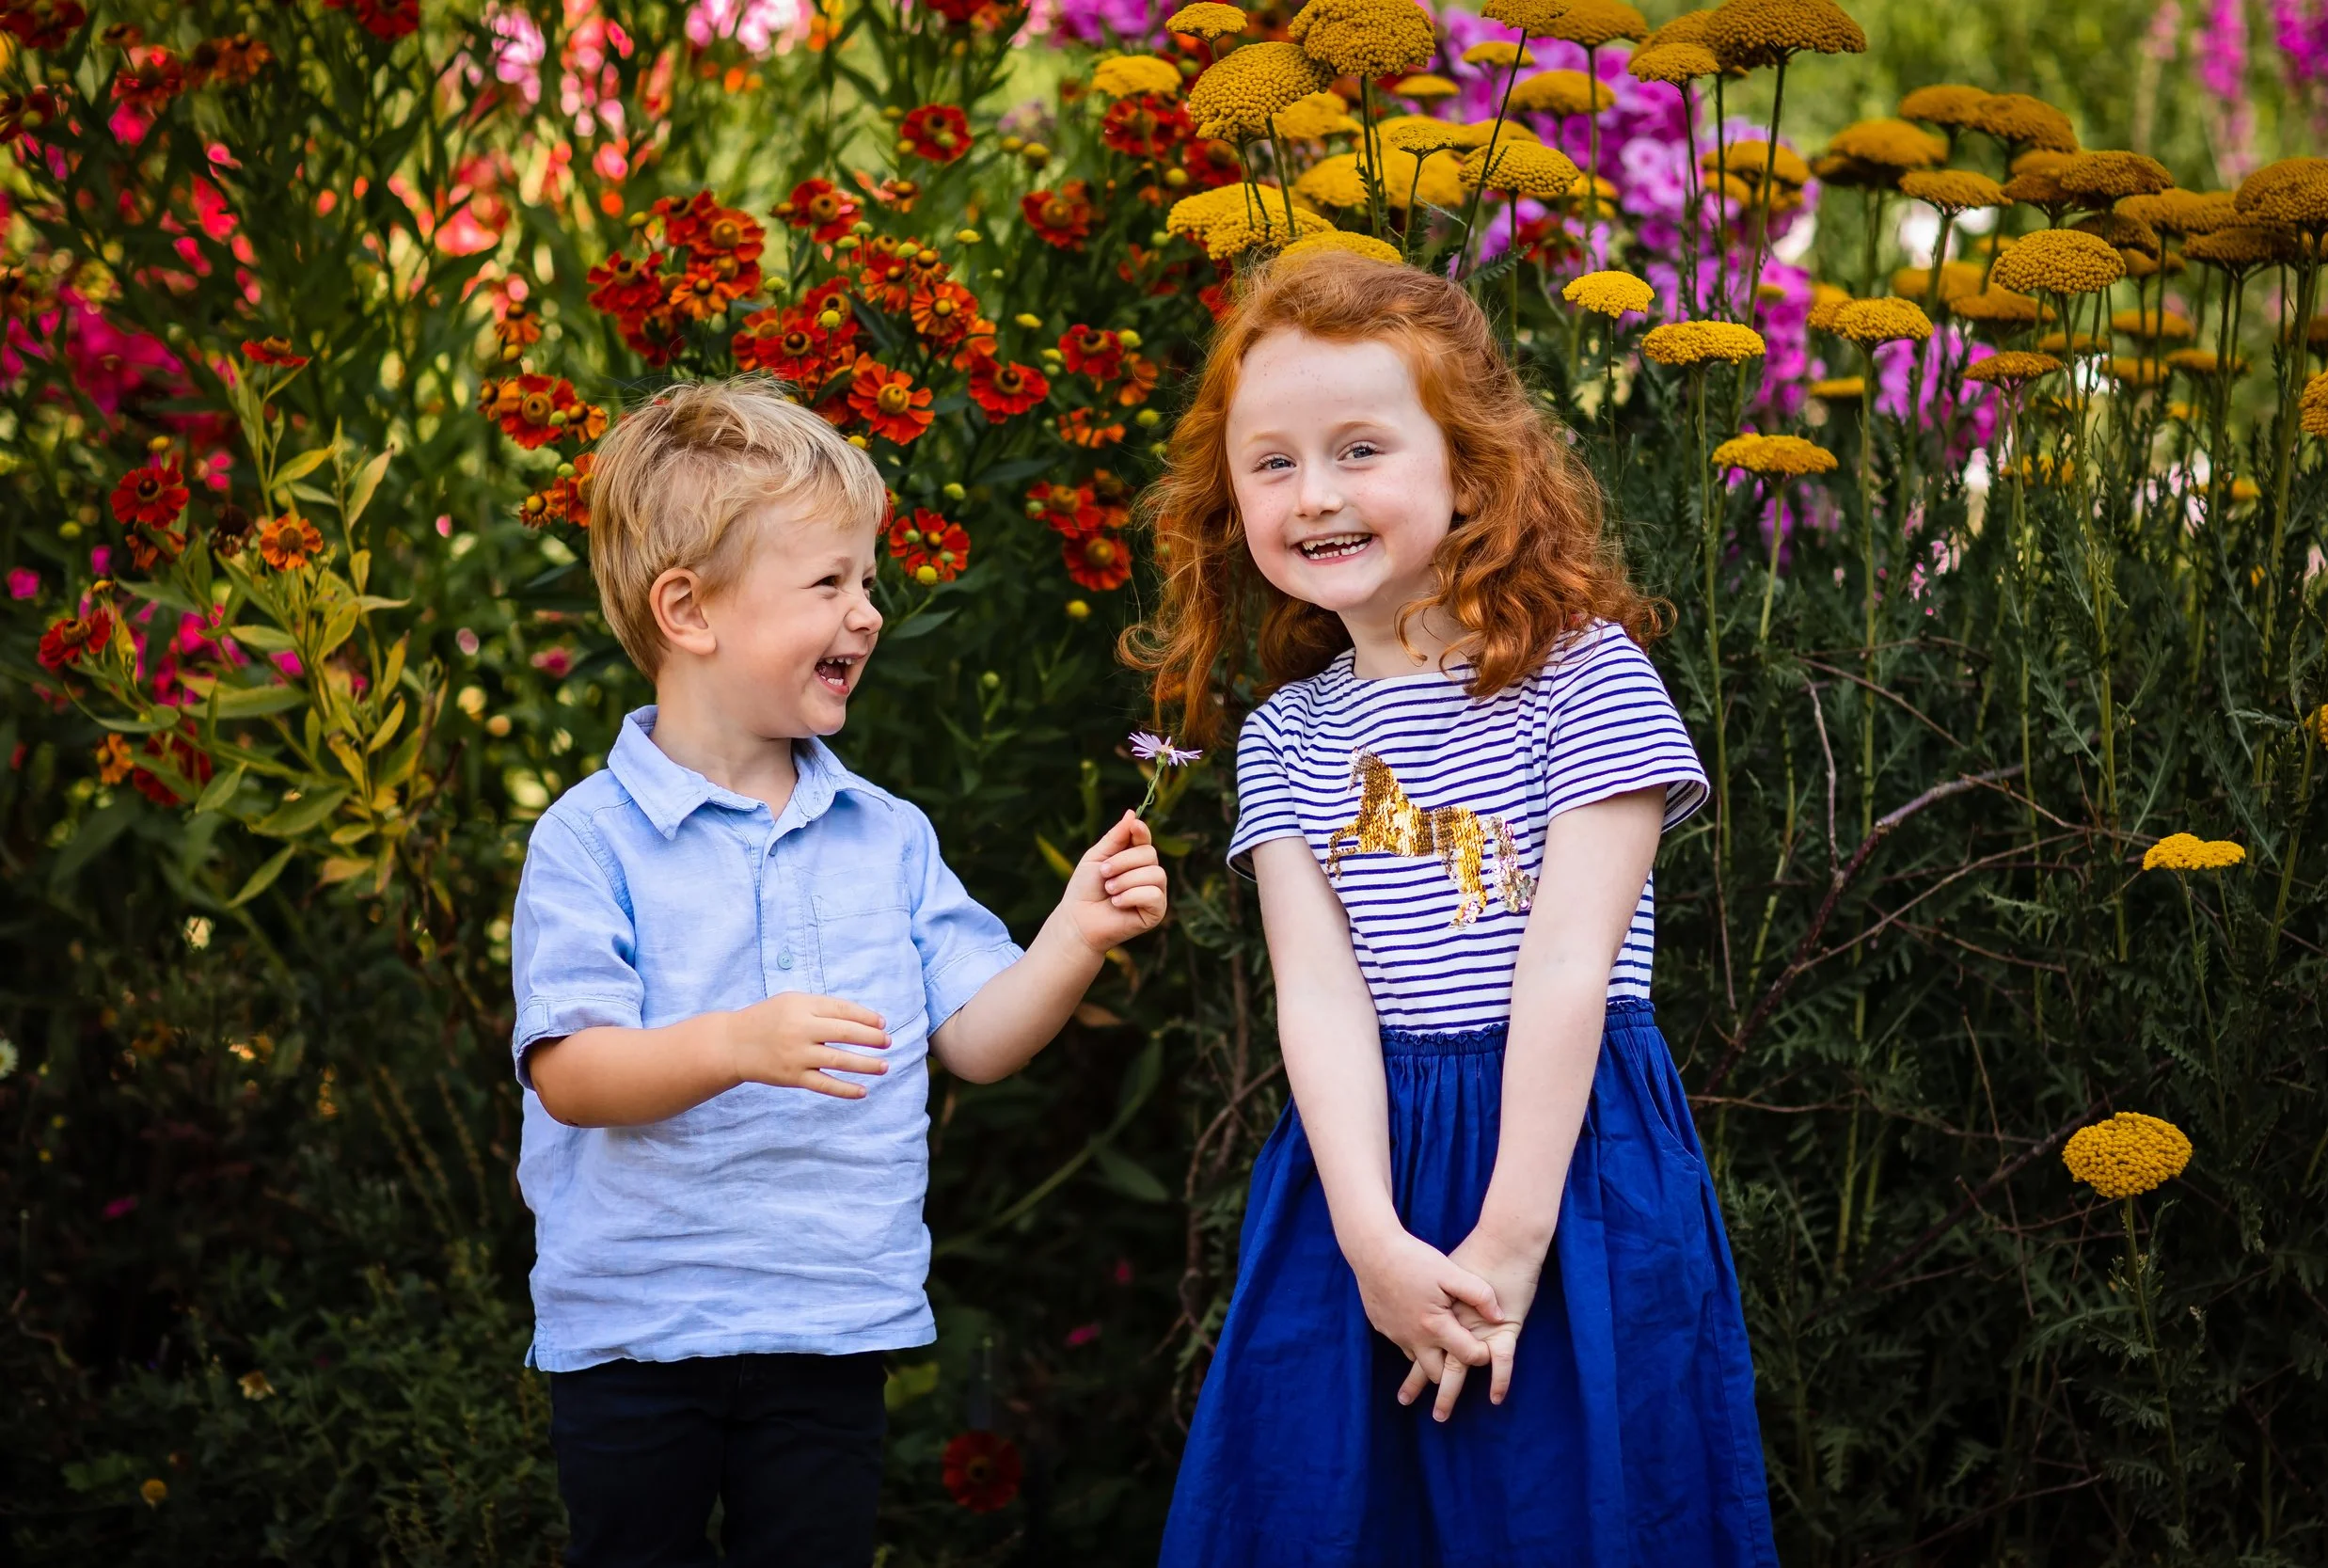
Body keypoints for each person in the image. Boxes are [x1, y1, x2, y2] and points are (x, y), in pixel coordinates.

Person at [1126, 252, 1778, 1566]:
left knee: (1568, 1503)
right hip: (1359, 1171)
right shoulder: (1287, 738)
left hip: (1565, 1159)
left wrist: (1509, 1235)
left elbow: (1569, 973)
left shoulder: (1583, 681)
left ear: (1470, 468)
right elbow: (1317, 994)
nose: (1314, 494)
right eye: (1272, 461)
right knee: (1337, 1513)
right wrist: (1370, 1239)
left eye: (1360, 448)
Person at [508, 377, 1166, 1568]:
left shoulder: (887, 834)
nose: (866, 612)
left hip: (826, 1320)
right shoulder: (591, 838)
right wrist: (735, 1044)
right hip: (638, 1328)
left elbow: (973, 1034)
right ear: (688, 609)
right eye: (829, 583)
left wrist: (1070, 936)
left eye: (866, 580)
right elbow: (571, 1070)